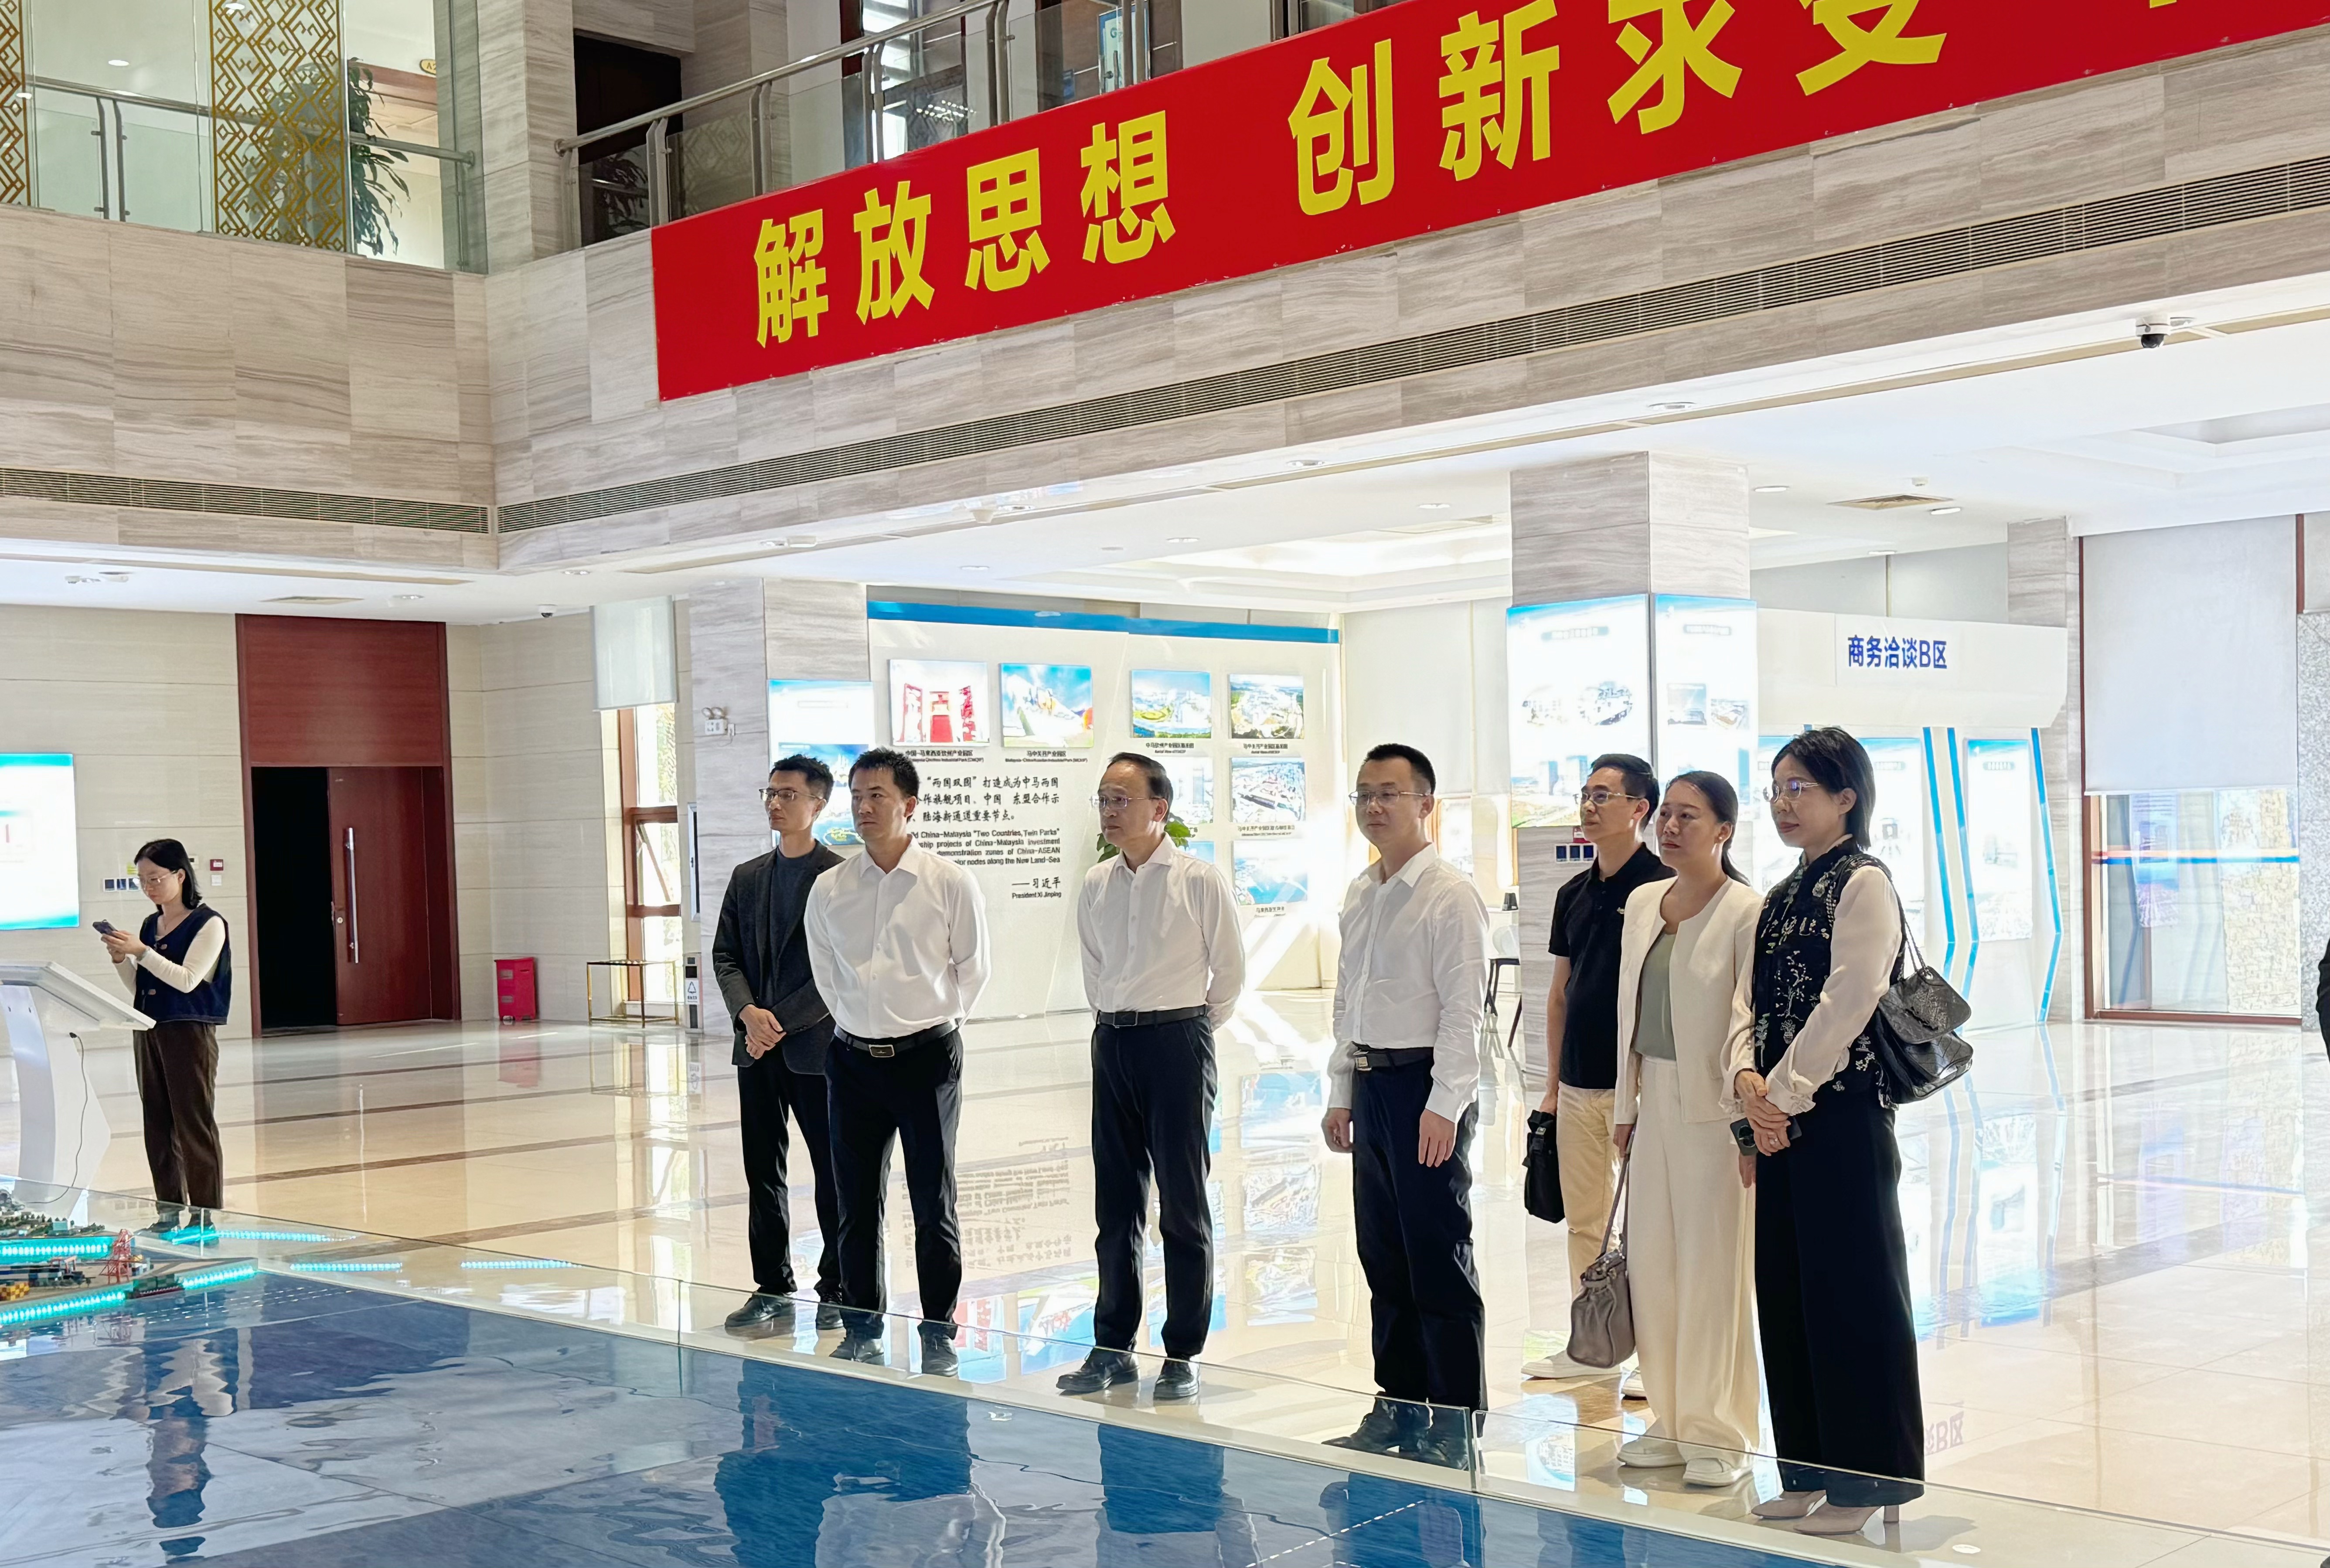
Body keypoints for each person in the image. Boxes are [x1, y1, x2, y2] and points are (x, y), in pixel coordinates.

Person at [1737, 727, 1924, 1537]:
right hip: (1776, 1121)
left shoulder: (1863, 882)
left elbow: (1849, 998)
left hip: (1841, 1117)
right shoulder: (1781, 893)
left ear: (1846, 797)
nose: (1783, 803)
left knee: (1853, 1296)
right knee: (1788, 1294)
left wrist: (1782, 1093)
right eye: (1776, 788)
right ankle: (1806, 1471)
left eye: (1799, 788)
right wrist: (1746, 1086)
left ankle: (1869, 1477)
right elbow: (1748, 1005)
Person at [1320, 743, 1491, 1464]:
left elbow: (1464, 1009)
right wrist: (1340, 1089)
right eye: (1364, 793)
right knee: (1383, 1254)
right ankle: (1396, 1404)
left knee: (1436, 1253)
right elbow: (1347, 999)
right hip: (1371, 1083)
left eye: (1389, 793)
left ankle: (1454, 1422)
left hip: (1426, 1087)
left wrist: (1444, 1103)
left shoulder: (1449, 894)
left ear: (1425, 804)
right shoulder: (1361, 892)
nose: (1374, 806)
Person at [1057, 752, 1245, 1403]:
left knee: (1183, 1206)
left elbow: (1230, 973)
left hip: (1178, 1042)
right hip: (1113, 1040)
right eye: (1104, 800)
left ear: (1159, 809)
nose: (1109, 811)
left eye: (1121, 799)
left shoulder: (1198, 880)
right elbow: (1094, 967)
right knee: (1116, 1206)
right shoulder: (1097, 883)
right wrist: (1119, 1023)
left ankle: (1182, 1351)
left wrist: (1188, 1030)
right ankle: (1112, 1346)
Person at [804, 747, 990, 1375]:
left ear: (909, 805)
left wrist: (932, 1023)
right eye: (857, 796)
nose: (864, 807)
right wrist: (861, 1024)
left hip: (926, 1058)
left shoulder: (948, 882)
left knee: (933, 1201)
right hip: (852, 1060)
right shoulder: (830, 888)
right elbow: (826, 972)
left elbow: (973, 969)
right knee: (855, 1204)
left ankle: (938, 1329)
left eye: (877, 795)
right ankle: (862, 1327)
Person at [1608, 772, 1763, 1489]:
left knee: (1712, 1271)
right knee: (1654, 1268)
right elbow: (1626, 1013)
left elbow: (1746, 1019)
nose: (1669, 827)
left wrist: (1745, 1125)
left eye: (1688, 817)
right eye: (1665, 815)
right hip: (1652, 1100)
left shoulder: (1745, 910)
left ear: (1723, 830)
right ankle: (1669, 1419)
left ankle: (1719, 1429)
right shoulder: (1644, 902)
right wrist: (1625, 1107)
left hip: (1714, 1111)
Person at [1522, 753, 1671, 1387]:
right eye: (1585, 794)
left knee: (1649, 1225)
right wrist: (1551, 1087)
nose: (1589, 806)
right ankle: (1594, 1344)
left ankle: (1655, 1357)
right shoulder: (1572, 894)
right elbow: (1559, 994)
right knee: (1587, 1222)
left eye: (1604, 795)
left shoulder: (1664, 889)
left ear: (1640, 808)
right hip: (1579, 1085)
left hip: (1643, 1086)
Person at [712, 754, 847, 1333]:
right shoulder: (748, 877)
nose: (775, 803)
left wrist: (778, 1023)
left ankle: (838, 1288)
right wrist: (748, 1014)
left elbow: (838, 969)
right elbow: (724, 955)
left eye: (788, 794)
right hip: (756, 1050)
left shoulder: (839, 878)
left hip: (815, 1050)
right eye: (769, 793)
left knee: (833, 1173)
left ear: (818, 804)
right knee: (762, 1173)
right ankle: (771, 1286)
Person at [101, 840, 230, 1226]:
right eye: (142, 880)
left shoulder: (208, 923)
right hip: (149, 1028)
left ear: (180, 875)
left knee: (193, 1124)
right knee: (157, 1125)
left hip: (189, 1032)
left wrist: (142, 952)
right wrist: (122, 959)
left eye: (156, 878)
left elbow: (188, 980)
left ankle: (205, 1218)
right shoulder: (149, 925)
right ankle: (169, 1212)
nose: (149, 887)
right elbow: (141, 987)